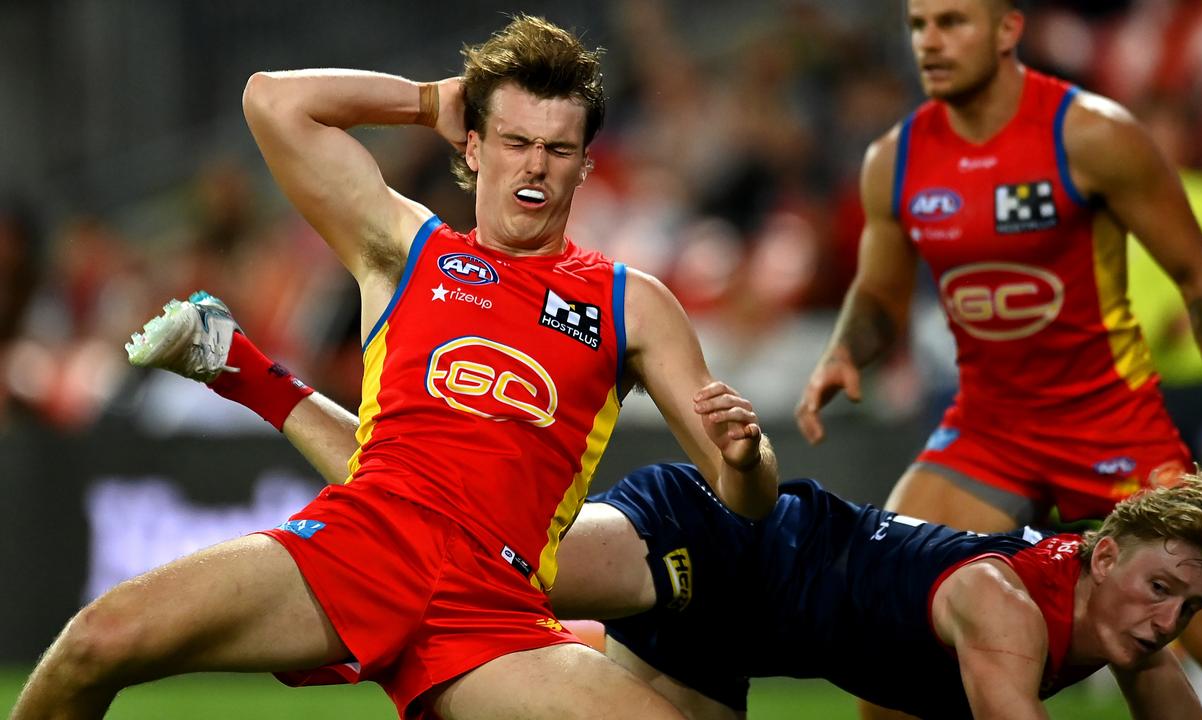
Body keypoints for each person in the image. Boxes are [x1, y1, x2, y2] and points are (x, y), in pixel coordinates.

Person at [12, 16, 779, 720]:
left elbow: (743, 498)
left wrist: (746, 457)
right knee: (94, 643)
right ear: (473, 146)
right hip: (359, 552)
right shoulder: (409, 248)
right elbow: (272, 102)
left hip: (493, 609)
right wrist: (425, 99)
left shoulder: (631, 303)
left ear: (585, 166)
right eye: (514, 142)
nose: (533, 168)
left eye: (558, 149)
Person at [118, 302, 1202, 719]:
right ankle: (244, 366)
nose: (1161, 624)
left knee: (470, 571)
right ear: (1096, 551)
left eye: (1182, 608)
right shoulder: (1007, 614)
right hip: (721, 541)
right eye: (1155, 591)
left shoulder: (1126, 621)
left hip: (743, 637)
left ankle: (534, 646)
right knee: (455, 544)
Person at [792, 0, 1202, 717]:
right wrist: (844, 351)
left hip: (1112, 422)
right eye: (918, 25)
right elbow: (878, 298)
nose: (930, 41)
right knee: (885, 638)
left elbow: (1201, 274)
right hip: (988, 430)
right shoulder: (894, 160)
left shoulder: (1092, 134)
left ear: (1008, 30)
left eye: (952, 22)